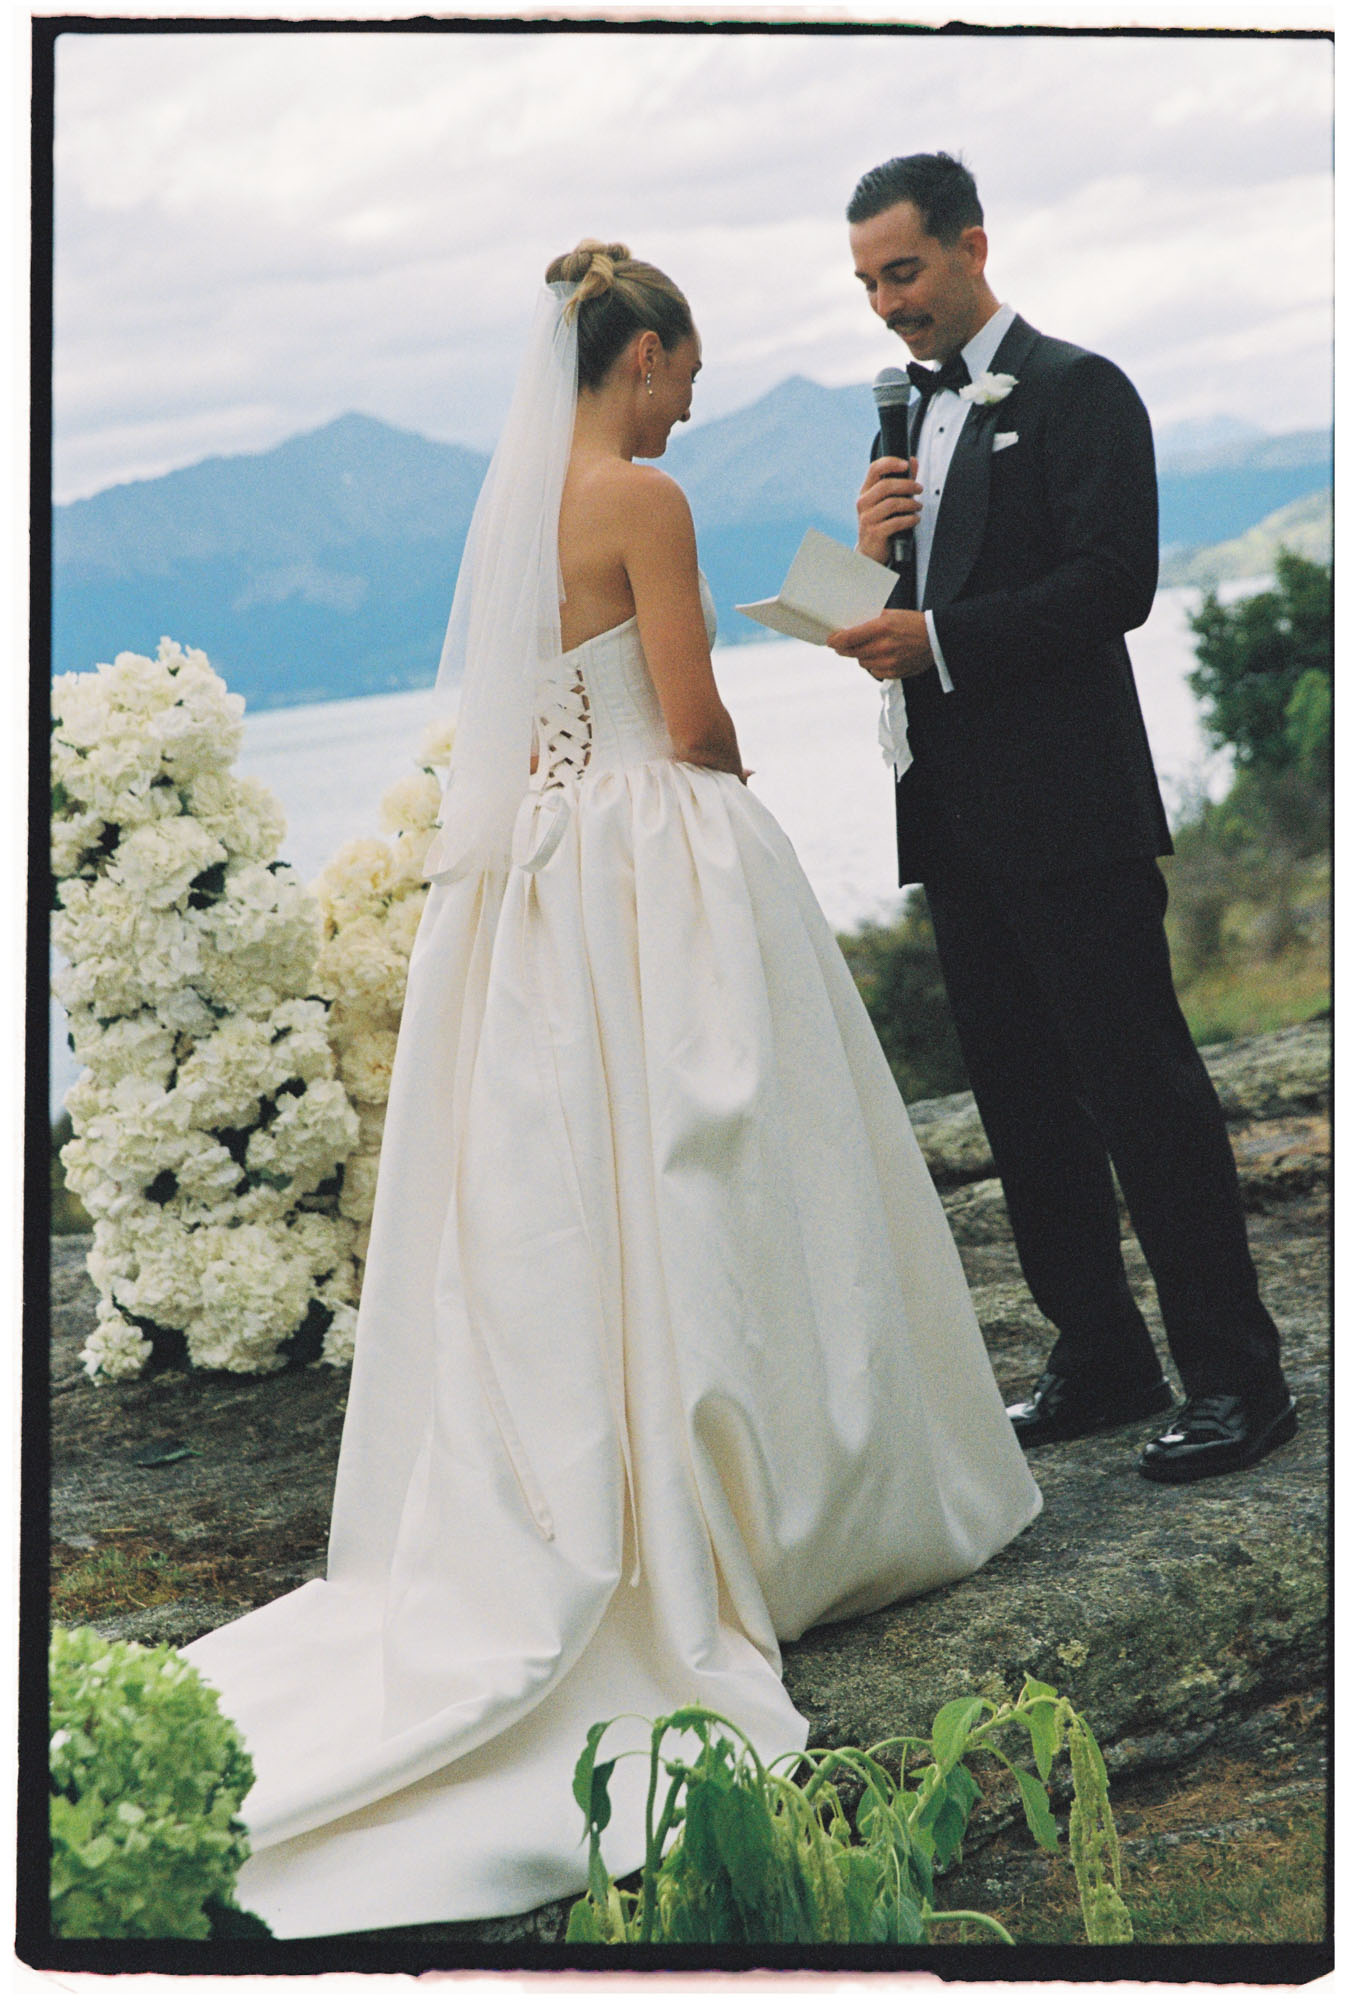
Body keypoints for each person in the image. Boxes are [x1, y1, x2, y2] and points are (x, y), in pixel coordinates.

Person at [182, 241, 1040, 1938]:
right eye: (688, 376)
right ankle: (775, 1503)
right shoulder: (641, 498)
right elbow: (695, 716)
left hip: (545, 885)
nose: (690, 408)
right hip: (657, 854)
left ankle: (635, 1495)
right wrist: (743, 771)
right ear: (639, 356)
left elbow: (531, 728)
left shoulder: (515, 508)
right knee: (728, 1164)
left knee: (589, 1189)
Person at [827, 152, 1295, 1485]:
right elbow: (905, 611)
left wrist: (939, 640)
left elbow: (1114, 585)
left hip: (1075, 812)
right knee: (1022, 1105)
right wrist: (865, 562)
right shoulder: (899, 420)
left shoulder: (1083, 390)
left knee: (1144, 1096)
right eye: (867, 284)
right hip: (954, 816)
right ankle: (1102, 1357)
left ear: (972, 246)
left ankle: (1238, 1380)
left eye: (903, 271)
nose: (888, 304)